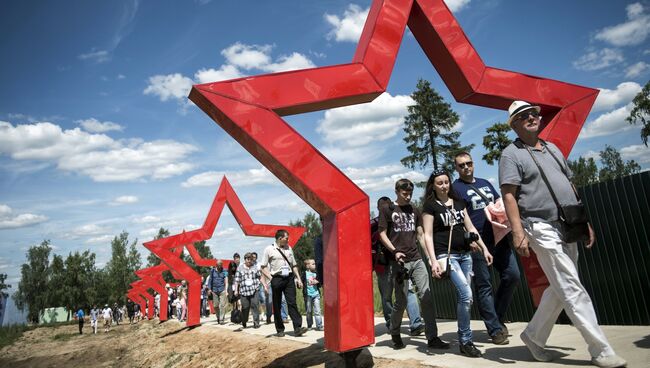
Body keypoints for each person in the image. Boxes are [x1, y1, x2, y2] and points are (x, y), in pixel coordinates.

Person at [499, 100, 627, 368]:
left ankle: (533, 336)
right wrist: (518, 232)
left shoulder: (552, 149)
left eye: (533, 113)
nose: (531, 117)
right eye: (523, 116)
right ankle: (600, 349)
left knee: (560, 287)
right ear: (515, 125)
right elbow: (509, 196)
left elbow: (569, 184)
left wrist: (584, 220)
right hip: (539, 226)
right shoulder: (511, 154)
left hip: (568, 223)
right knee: (570, 286)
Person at [423, 170, 494, 358]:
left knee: (466, 298)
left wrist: (485, 248)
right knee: (466, 294)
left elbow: (470, 228)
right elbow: (428, 235)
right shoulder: (430, 206)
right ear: (433, 186)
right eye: (440, 183)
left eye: (446, 182)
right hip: (446, 256)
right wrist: (432, 261)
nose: (444, 185)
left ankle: (465, 339)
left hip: (465, 255)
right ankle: (466, 340)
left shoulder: (459, 203)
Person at [453, 151, 519, 344]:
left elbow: (500, 203)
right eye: (461, 165)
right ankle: (494, 329)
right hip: (478, 243)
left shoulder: (485, 183)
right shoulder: (456, 189)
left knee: (513, 275)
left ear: (473, 164)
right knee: (484, 286)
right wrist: (469, 239)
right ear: (456, 168)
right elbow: (458, 219)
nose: (466, 167)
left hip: (499, 237)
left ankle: (497, 316)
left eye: (468, 163)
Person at [378, 178, 448, 351]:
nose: (408, 197)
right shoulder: (387, 209)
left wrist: (431, 260)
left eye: (410, 193)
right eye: (404, 193)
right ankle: (395, 331)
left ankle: (432, 337)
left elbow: (420, 235)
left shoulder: (414, 210)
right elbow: (382, 233)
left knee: (426, 297)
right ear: (396, 191)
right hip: (398, 262)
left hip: (416, 259)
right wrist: (395, 251)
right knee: (401, 301)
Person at [372, 196, 425, 336]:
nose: (386, 208)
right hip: (383, 265)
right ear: (378, 208)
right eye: (382, 206)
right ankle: (391, 324)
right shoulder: (373, 225)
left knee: (408, 292)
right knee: (387, 295)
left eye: (388, 205)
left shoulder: (400, 218)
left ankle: (416, 323)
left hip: (400, 262)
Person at [260, 229, 307, 337]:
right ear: (280, 238)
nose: (288, 240)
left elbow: (294, 265)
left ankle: (297, 328)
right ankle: (280, 329)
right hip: (276, 278)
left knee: (292, 302)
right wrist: (271, 278)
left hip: (289, 278)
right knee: (277, 305)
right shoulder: (269, 249)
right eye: (286, 238)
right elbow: (263, 267)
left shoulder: (289, 248)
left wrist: (298, 278)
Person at [234, 252, 262, 329]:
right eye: (248, 259)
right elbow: (237, 280)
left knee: (255, 305)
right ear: (245, 259)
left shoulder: (255, 267)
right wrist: (236, 290)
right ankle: (244, 320)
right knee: (245, 308)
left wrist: (265, 286)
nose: (249, 261)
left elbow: (260, 277)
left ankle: (256, 322)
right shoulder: (240, 268)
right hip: (244, 291)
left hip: (254, 290)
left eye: (250, 259)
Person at [302, 259, 323, 331]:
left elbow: (320, 283)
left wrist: (318, 281)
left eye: (315, 264)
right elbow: (301, 283)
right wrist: (299, 284)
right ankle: (309, 325)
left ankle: (319, 325)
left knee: (317, 310)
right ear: (308, 266)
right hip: (308, 295)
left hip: (316, 294)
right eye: (313, 264)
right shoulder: (304, 274)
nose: (315, 265)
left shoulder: (317, 274)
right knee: (309, 311)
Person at [228, 253, 241, 319]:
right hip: (233, 286)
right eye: (235, 258)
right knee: (233, 301)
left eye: (238, 258)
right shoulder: (232, 265)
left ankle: (240, 315)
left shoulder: (241, 265)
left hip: (240, 286)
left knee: (239, 301)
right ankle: (235, 316)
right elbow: (229, 276)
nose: (237, 259)